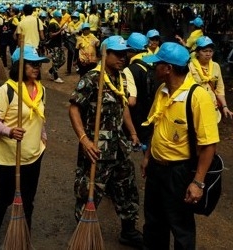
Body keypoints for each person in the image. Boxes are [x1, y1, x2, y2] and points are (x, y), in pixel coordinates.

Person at [140, 42, 219, 250]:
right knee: (154, 223)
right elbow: (155, 125)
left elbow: (209, 145)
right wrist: (148, 158)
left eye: (157, 64)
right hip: (157, 169)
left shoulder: (197, 97)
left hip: (179, 173)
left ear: (168, 68)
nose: (153, 67)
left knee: (180, 227)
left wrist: (198, 183)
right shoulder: (162, 90)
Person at [69, 35, 143, 248]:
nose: (123, 58)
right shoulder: (92, 78)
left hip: (119, 146)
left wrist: (133, 133)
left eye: (124, 54)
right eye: (117, 54)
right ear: (105, 54)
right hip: (96, 148)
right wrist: (84, 139)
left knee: (127, 188)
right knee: (89, 191)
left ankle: (128, 231)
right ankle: (83, 232)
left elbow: (124, 106)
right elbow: (74, 107)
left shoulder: (122, 78)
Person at [0, 45, 48, 250]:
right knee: (6, 196)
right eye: (31, 64)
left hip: (33, 156)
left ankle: (24, 236)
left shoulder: (41, 89)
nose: (36, 68)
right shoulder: (7, 90)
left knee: (28, 200)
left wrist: (43, 136)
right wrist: (9, 131)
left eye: (38, 64)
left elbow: (40, 116)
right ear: (19, 65)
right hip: (9, 157)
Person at [189, 36, 233, 122]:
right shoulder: (190, 67)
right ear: (197, 52)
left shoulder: (216, 66)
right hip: (196, 109)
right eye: (204, 51)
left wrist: (224, 106)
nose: (208, 54)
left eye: (210, 51)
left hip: (213, 108)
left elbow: (219, 89)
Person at [47, 10, 66, 83]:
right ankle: (55, 76)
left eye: (61, 17)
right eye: (59, 17)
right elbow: (51, 35)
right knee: (56, 61)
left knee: (62, 60)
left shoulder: (56, 23)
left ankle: (51, 71)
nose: (60, 18)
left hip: (58, 45)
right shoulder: (52, 24)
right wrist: (60, 31)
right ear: (55, 17)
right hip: (54, 45)